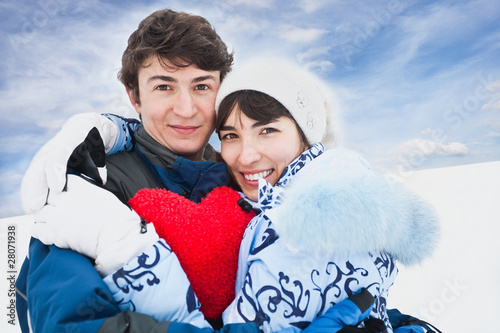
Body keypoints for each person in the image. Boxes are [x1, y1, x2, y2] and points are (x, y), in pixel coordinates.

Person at [16, 8, 379, 333]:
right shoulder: (86, 182)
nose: (186, 109)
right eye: (164, 86)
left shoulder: (245, 180)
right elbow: (67, 321)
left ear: (221, 92)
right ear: (135, 97)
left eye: (202, 86)